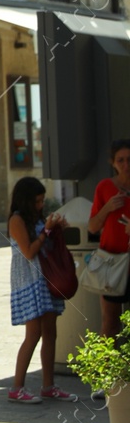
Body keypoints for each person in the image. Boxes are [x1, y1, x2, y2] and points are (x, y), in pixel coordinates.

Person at [7, 176, 75, 404]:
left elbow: (47, 244)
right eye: (36, 201)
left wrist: (56, 229)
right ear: (25, 200)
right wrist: (46, 231)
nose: (40, 205)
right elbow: (29, 251)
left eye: (42, 201)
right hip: (29, 281)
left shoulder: (36, 218)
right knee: (33, 334)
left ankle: (49, 385)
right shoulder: (16, 220)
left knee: (50, 333)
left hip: (46, 280)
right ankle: (17, 387)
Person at [87, 139, 130, 335]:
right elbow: (93, 227)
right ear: (113, 163)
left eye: (129, 159)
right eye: (120, 160)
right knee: (110, 323)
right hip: (112, 262)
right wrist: (107, 208)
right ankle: (107, 365)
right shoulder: (104, 187)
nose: (126, 165)